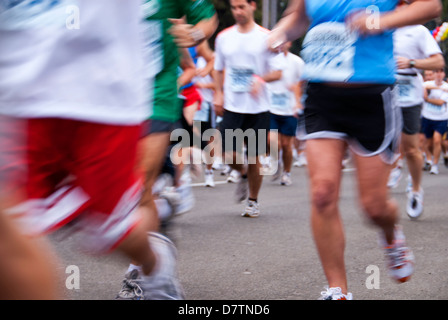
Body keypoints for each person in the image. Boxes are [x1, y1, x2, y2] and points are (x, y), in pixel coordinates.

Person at [268, 0, 441, 299]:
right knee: (322, 194)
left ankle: (390, 235)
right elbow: (297, 18)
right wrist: (279, 33)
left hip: (372, 96)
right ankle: (338, 290)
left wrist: (379, 22)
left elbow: (431, 7)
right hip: (322, 95)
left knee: (374, 207)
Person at [0, 0, 169, 299]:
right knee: (9, 228)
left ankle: (154, 263)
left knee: (110, 231)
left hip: (97, 93)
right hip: (14, 91)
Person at [116, 0, 218, 299]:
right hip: (108, 94)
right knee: (116, 196)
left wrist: (195, 36)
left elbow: (206, 18)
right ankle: (161, 212)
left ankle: (143, 271)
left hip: (157, 96)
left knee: (139, 184)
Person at [213, 0, 284, 218]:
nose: (237, 12)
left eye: (242, 6)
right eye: (234, 7)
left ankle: (253, 201)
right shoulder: (224, 37)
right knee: (226, 152)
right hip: (233, 106)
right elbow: (218, 69)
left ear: (253, 5)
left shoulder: (267, 37)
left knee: (254, 157)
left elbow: (278, 72)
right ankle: (242, 173)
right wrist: (218, 94)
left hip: (258, 107)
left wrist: (259, 78)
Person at [389, 5, 445, 220]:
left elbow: (438, 61)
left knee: (412, 148)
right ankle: (394, 166)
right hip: (383, 89)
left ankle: (415, 189)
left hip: (409, 92)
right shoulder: (382, 28)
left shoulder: (418, 31)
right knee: (383, 140)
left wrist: (412, 62)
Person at [267, 41, 305, 186]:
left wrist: (297, 100)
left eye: (284, 42)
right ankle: (275, 162)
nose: (281, 45)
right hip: (271, 107)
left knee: (286, 144)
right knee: (272, 140)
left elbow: (301, 82)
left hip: (289, 108)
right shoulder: (269, 60)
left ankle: (286, 173)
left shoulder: (296, 61)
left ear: (289, 43)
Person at [421, 68, 448, 175]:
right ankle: (431, 158)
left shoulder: (446, 86)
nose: (438, 74)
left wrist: (427, 99)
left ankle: (435, 165)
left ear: (444, 74)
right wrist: (436, 88)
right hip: (427, 116)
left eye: (441, 72)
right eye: (436, 72)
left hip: (441, 118)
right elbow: (422, 88)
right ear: (434, 74)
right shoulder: (427, 83)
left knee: (438, 140)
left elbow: (440, 102)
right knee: (428, 144)